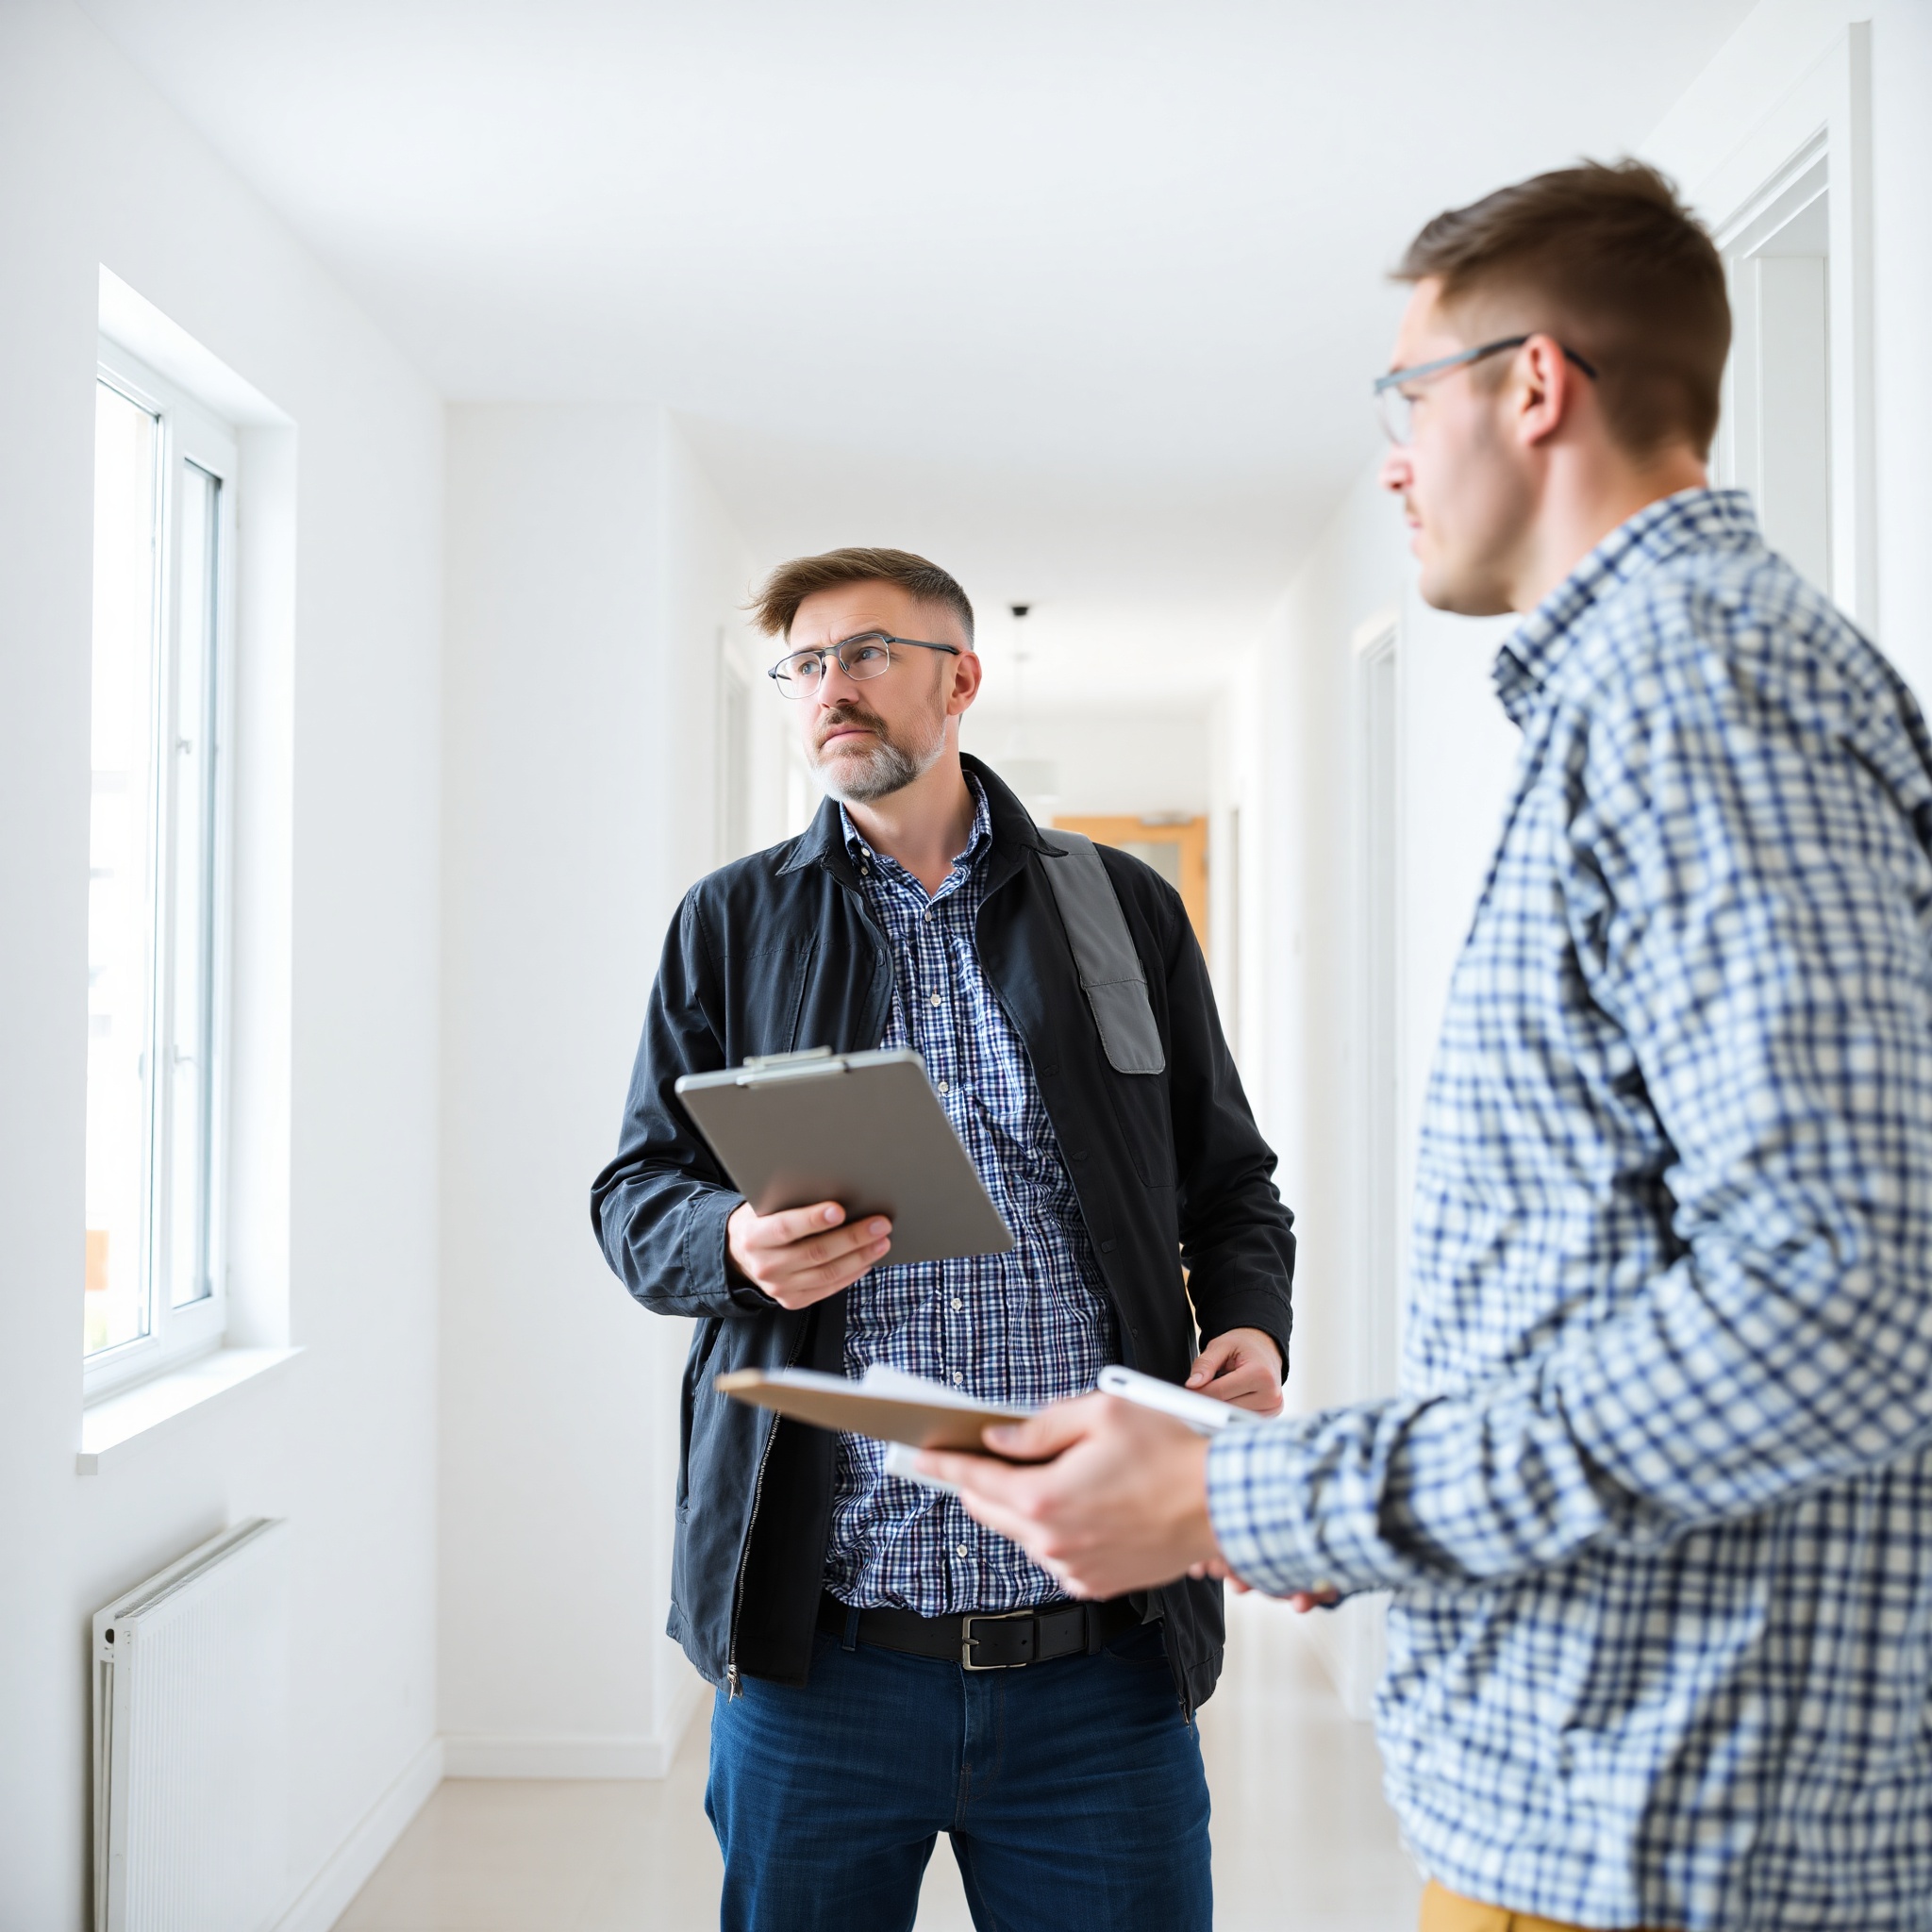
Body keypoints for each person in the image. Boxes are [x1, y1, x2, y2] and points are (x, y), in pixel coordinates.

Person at [927, 161, 1932, 1932]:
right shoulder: (1651, 696)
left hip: (1663, 1824)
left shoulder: (1708, 696)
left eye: (1408, 399)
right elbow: (1629, 1279)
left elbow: (1834, 1303)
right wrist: (1365, 1504)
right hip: (1595, 1779)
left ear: (1533, 387)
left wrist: (1283, 1499)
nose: (1394, 458)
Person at [591, 545, 1296, 1932]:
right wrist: (731, 1243)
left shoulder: (1120, 907)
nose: (829, 692)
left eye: (865, 656)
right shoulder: (732, 923)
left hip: (1102, 1658)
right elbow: (634, 1198)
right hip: (825, 1658)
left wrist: (1255, 1324)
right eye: (804, 667)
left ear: (960, 680)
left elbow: (1228, 1184)